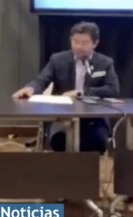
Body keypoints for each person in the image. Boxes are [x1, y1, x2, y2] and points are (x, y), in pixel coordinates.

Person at [12, 21, 119, 153]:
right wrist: (31, 88)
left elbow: (113, 89)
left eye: (84, 43)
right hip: (62, 116)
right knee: (59, 141)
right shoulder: (58, 60)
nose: (78, 46)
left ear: (95, 43)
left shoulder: (105, 62)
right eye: (75, 41)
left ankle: (88, 166)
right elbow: (41, 80)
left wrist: (81, 93)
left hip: (94, 118)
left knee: (97, 142)